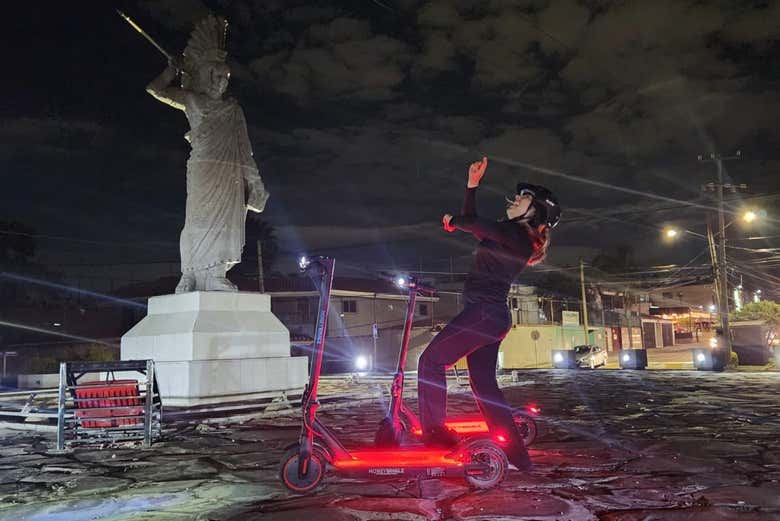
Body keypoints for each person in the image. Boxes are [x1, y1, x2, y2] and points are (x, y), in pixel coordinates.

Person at [417, 157, 560, 470]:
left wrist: (453, 220)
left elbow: (473, 224)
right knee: (483, 384)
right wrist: (471, 187)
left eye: (522, 198)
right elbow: (475, 222)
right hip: (489, 315)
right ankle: (518, 458)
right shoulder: (510, 235)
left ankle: (435, 433)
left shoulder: (520, 238)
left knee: (430, 361)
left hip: (484, 313)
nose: (514, 199)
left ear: (535, 211)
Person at [146, 16, 269, 293]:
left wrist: (256, 183)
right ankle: (188, 275)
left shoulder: (234, 111)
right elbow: (155, 90)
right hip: (203, 167)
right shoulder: (192, 99)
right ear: (203, 75)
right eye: (214, 75)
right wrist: (171, 70)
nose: (219, 82)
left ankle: (215, 274)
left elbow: (245, 149)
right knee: (197, 221)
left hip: (231, 172)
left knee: (226, 224)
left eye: (224, 78)